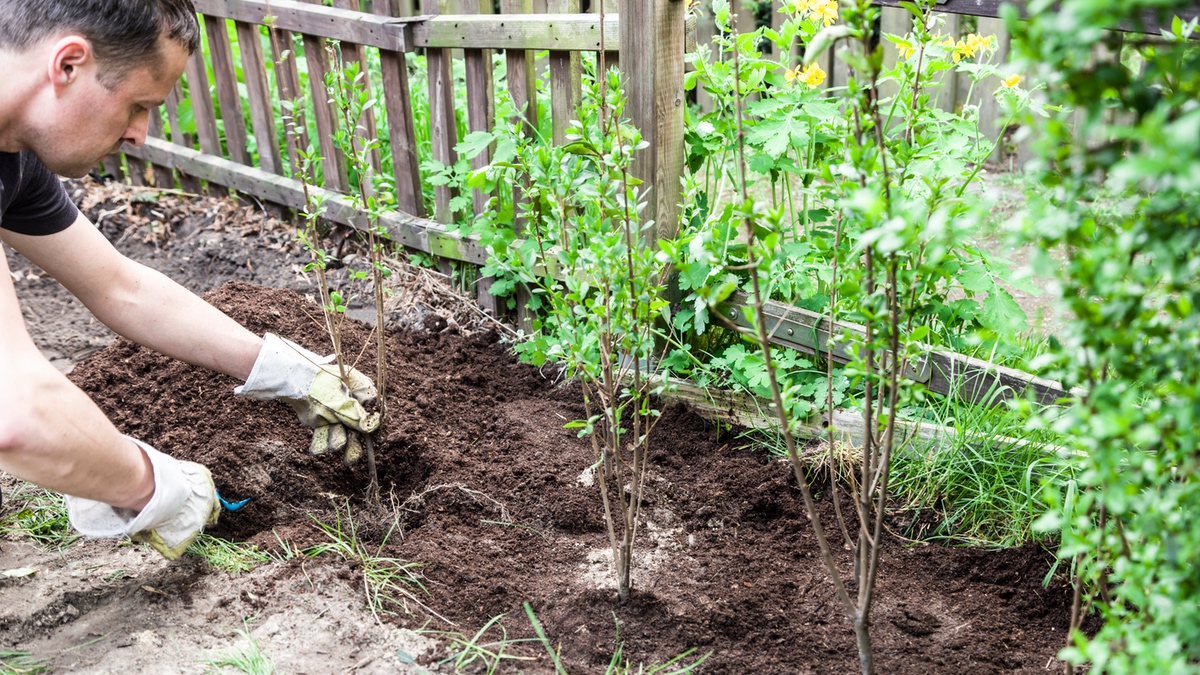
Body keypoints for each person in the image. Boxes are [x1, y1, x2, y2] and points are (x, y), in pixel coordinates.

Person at [0, 0, 378, 560]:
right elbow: (17, 411)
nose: (141, 135)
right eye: (137, 105)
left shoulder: (14, 155)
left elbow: (117, 285)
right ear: (69, 64)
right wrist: (155, 487)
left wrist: (289, 372)